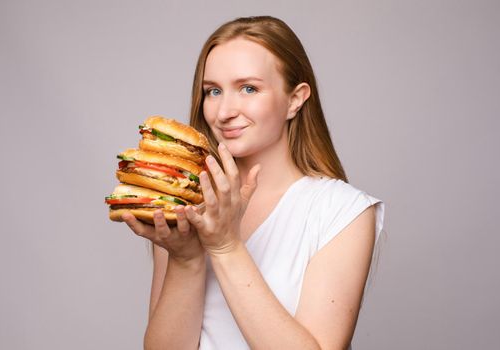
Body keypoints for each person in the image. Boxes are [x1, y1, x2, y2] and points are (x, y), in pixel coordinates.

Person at [122, 15, 385, 350]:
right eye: (213, 91)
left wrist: (225, 246)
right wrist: (186, 260)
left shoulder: (342, 212)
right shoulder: (185, 204)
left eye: (249, 88)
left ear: (295, 99)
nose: (224, 111)